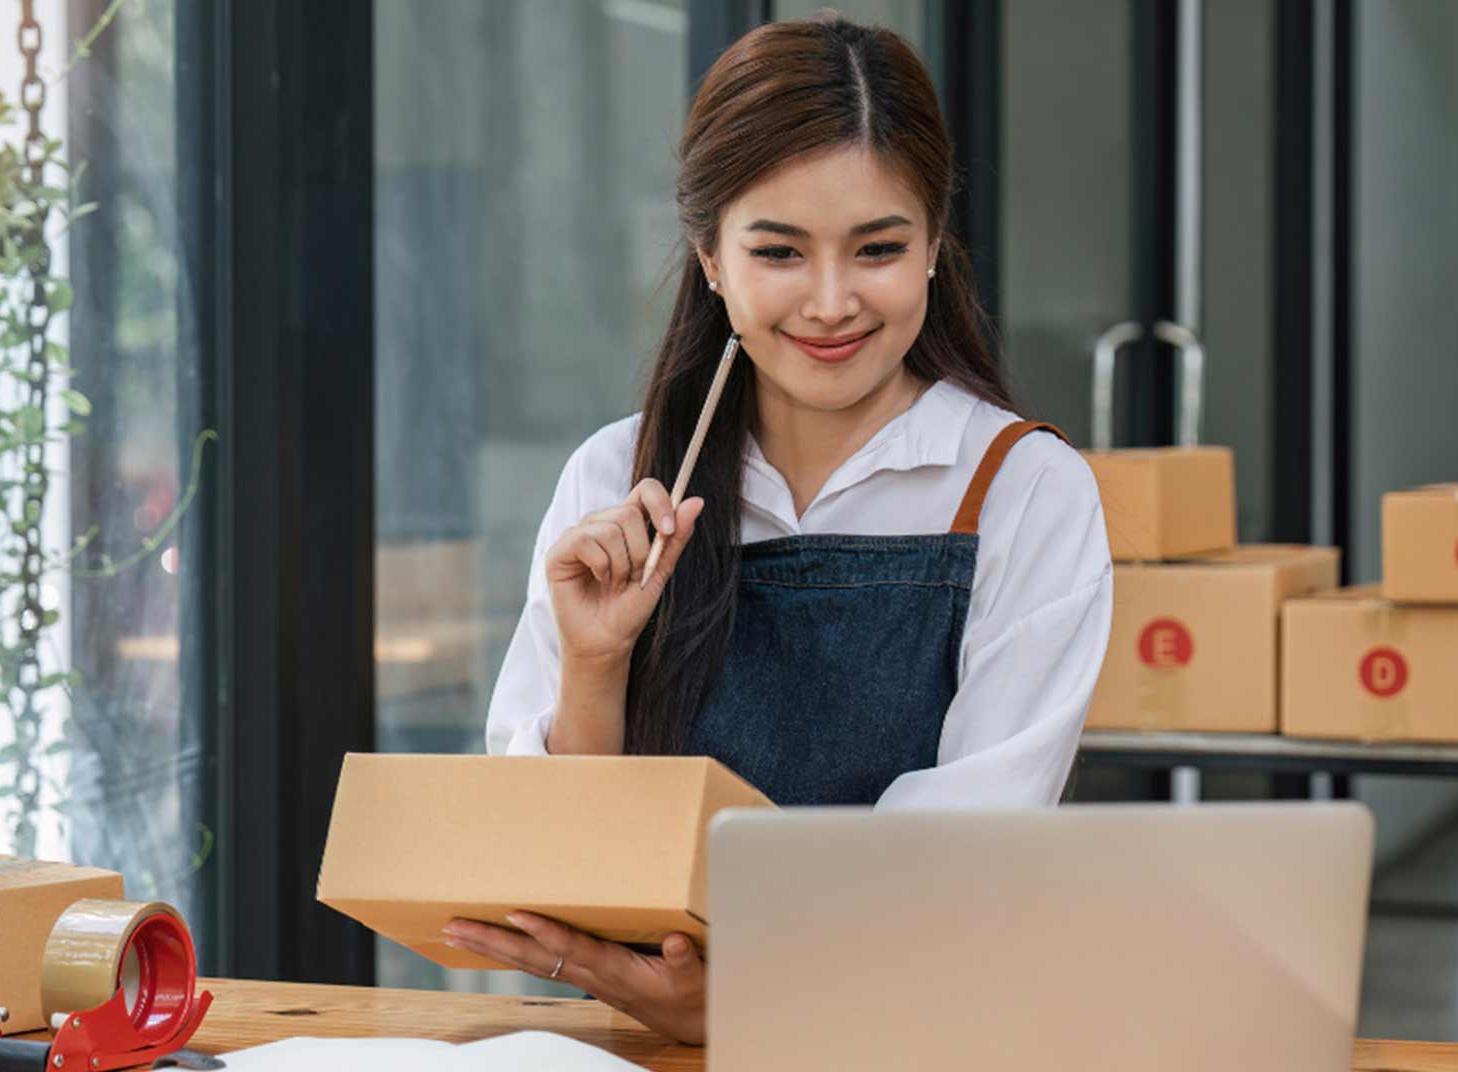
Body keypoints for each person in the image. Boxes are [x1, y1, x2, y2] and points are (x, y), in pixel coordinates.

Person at [443, 12, 1112, 1045]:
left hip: (924, 1039)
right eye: (780, 251)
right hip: (646, 1042)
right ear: (712, 257)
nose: (832, 301)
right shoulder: (614, 478)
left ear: (935, 245)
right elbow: (550, 853)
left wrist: (755, 987)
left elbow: (977, 840)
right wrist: (594, 661)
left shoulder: (1024, 487)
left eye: (878, 247)